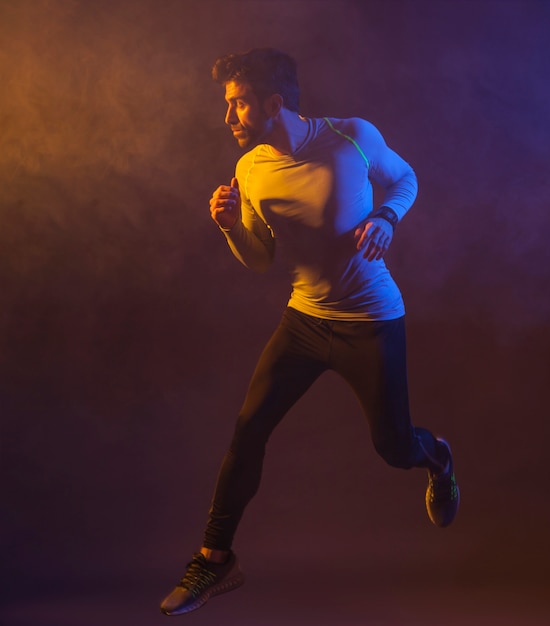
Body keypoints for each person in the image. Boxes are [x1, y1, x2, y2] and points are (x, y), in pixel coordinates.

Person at [160, 48, 459, 617]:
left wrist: (385, 219)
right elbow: (260, 258)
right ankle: (215, 559)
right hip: (303, 320)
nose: (229, 117)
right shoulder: (249, 170)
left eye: (239, 104)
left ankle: (438, 458)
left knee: (394, 447)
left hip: (370, 320)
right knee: (247, 431)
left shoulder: (350, 137)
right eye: (228, 104)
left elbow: (405, 179)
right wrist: (228, 227)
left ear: (274, 103)